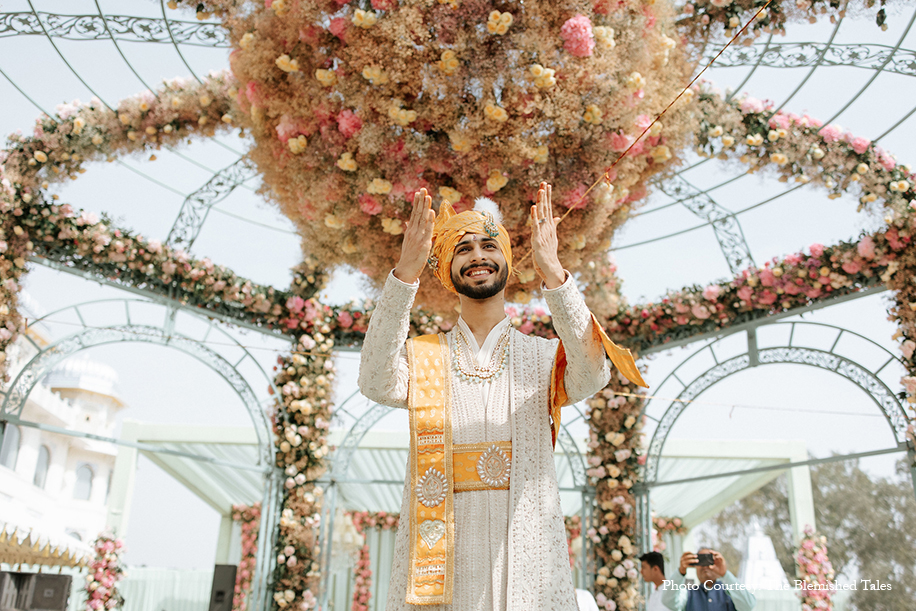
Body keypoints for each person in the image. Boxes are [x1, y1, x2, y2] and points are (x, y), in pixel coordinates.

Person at [358, 183, 647, 610]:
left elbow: (593, 374)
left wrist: (554, 273)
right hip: (443, 561)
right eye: (463, 248)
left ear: (507, 264)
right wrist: (404, 275)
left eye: (489, 245)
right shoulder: (425, 357)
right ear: (445, 269)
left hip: (527, 557)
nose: (477, 256)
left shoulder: (543, 354)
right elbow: (374, 380)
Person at [662, 549, 756, 611]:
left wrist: (725, 574)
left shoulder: (730, 591)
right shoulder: (688, 594)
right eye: (701, 561)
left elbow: (748, 605)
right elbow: (668, 601)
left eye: (709, 560)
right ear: (694, 565)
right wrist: (680, 572)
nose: (705, 566)